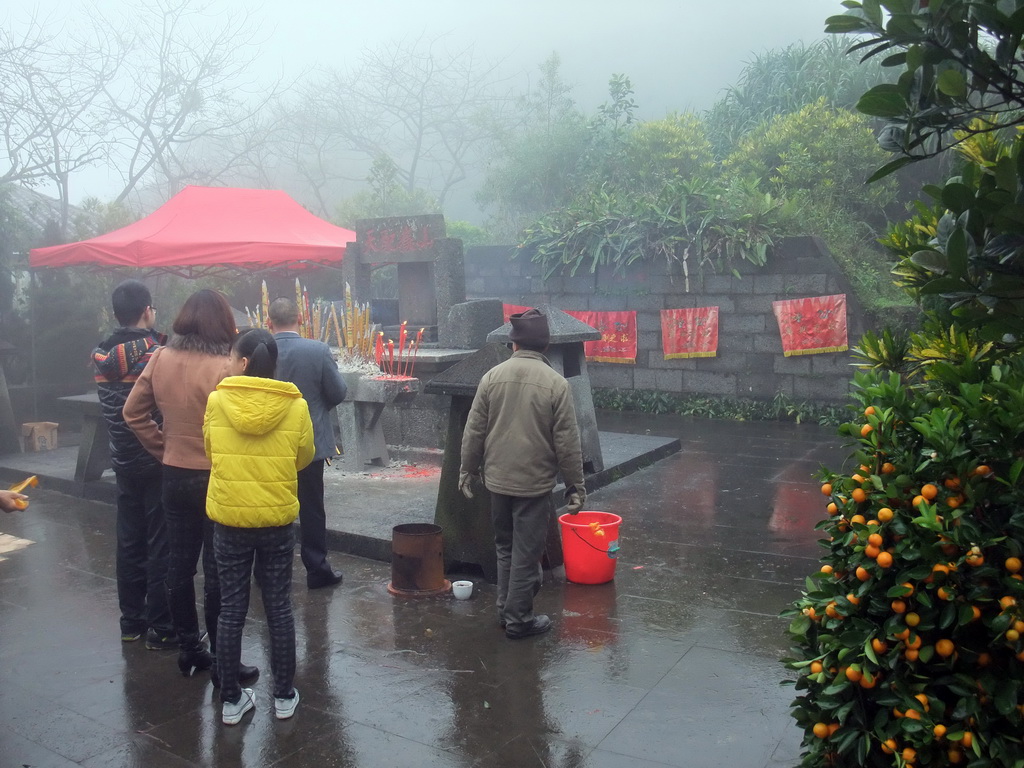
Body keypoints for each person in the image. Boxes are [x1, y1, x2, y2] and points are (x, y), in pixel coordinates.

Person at [124, 289, 257, 685]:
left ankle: (189, 649)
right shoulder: (224, 367)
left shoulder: (161, 356)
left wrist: (163, 447)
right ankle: (223, 658)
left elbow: (133, 412)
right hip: (215, 476)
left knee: (178, 566)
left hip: (173, 475)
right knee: (218, 573)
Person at [204, 328, 314, 724]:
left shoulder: (217, 401)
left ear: (245, 363)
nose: (229, 364)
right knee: (279, 606)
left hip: (230, 519)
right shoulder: (295, 406)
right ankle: (284, 695)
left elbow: (211, 450)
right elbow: (303, 456)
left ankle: (231, 701)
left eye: (233, 357)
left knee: (231, 609)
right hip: (277, 519)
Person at [459, 308, 586, 639]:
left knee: (505, 548)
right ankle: (518, 620)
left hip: (497, 482)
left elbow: (474, 430)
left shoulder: (492, 377)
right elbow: (568, 443)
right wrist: (575, 486)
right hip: (533, 485)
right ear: (545, 347)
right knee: (527, 555)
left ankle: (505, 609)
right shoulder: (556, 384)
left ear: (513, 345)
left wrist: (467, 469)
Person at [91, 279, 175, 649]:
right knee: (161, 542)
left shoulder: (99, 355)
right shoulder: (156, 354)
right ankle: (161, 622)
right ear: (147, 311)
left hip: (121, 459)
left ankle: (131, 621)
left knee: (128, 541)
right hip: (155, 457)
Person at [267, 297, 347, 589]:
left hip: (270, 441)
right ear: (299, 319)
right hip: (309, 440)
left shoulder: (262, 349)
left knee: (272, 506)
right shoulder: (317, 350)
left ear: (268, 322)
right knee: (311, 506)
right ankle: (317, 569)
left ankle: (270, 570)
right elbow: (337, 393)